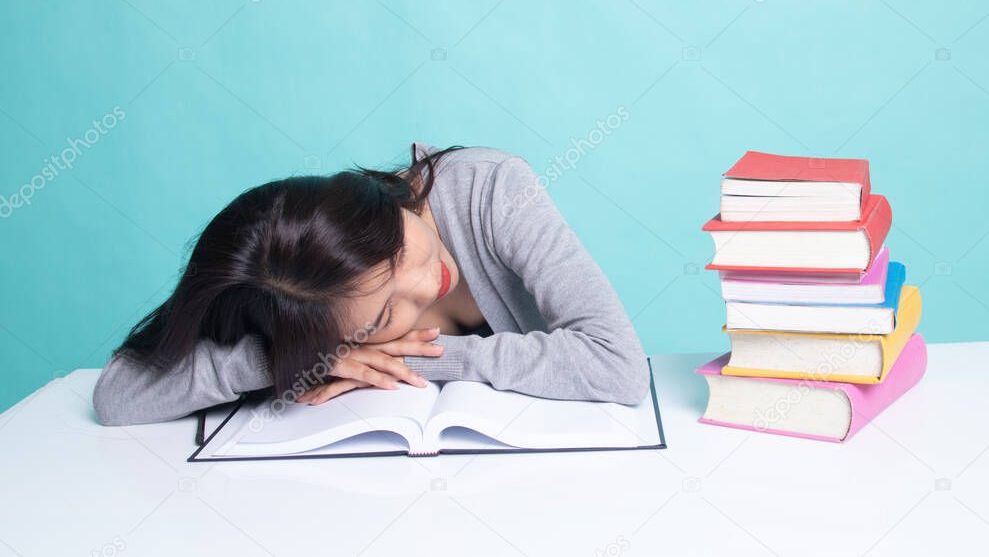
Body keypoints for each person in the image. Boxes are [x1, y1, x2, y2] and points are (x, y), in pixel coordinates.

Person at [92, 142, 650, 425]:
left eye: (400, 250)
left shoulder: (492, 190)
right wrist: (295, 358)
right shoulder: (301, 303)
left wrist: (415, 359)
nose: (427, 284)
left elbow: (617, 366)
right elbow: (116, 398)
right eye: (384, 319)